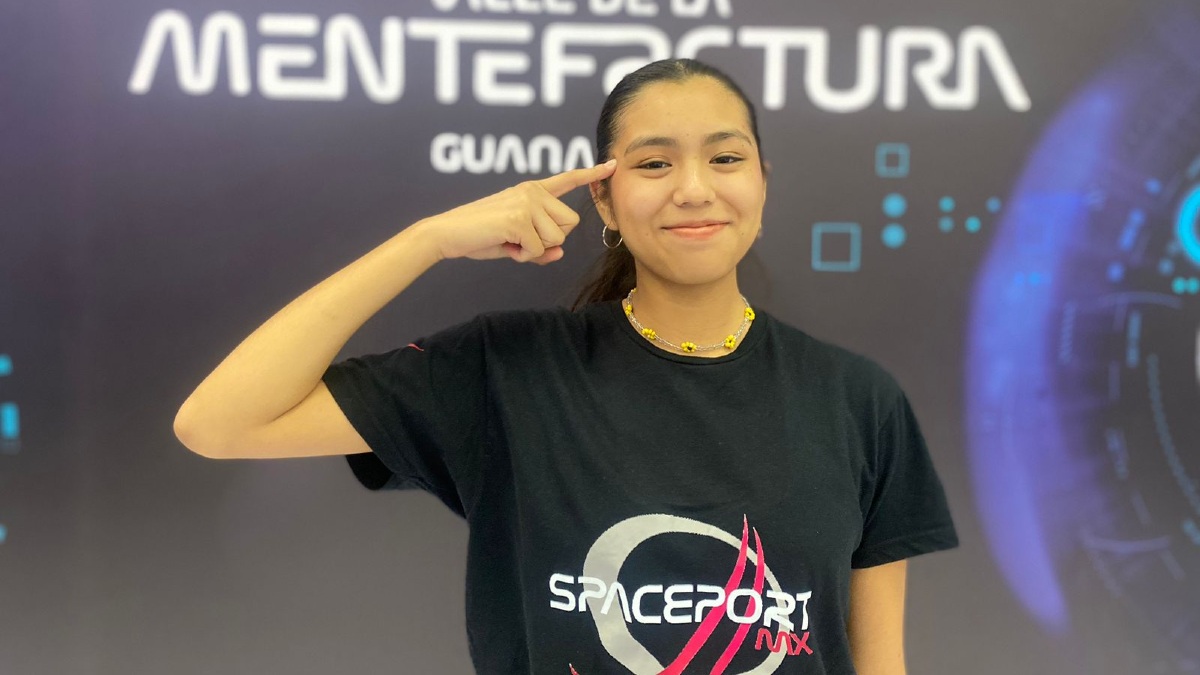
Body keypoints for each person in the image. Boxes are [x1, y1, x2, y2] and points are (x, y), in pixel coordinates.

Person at [174, 58, 958, 674]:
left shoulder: (859, 401)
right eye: (654, 164)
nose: (694, 189)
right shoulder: (507, 370)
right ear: (606, 203)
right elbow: (219, 422)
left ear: (761, 185)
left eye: (725, 157)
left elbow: (877, 661)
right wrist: (427, 240)